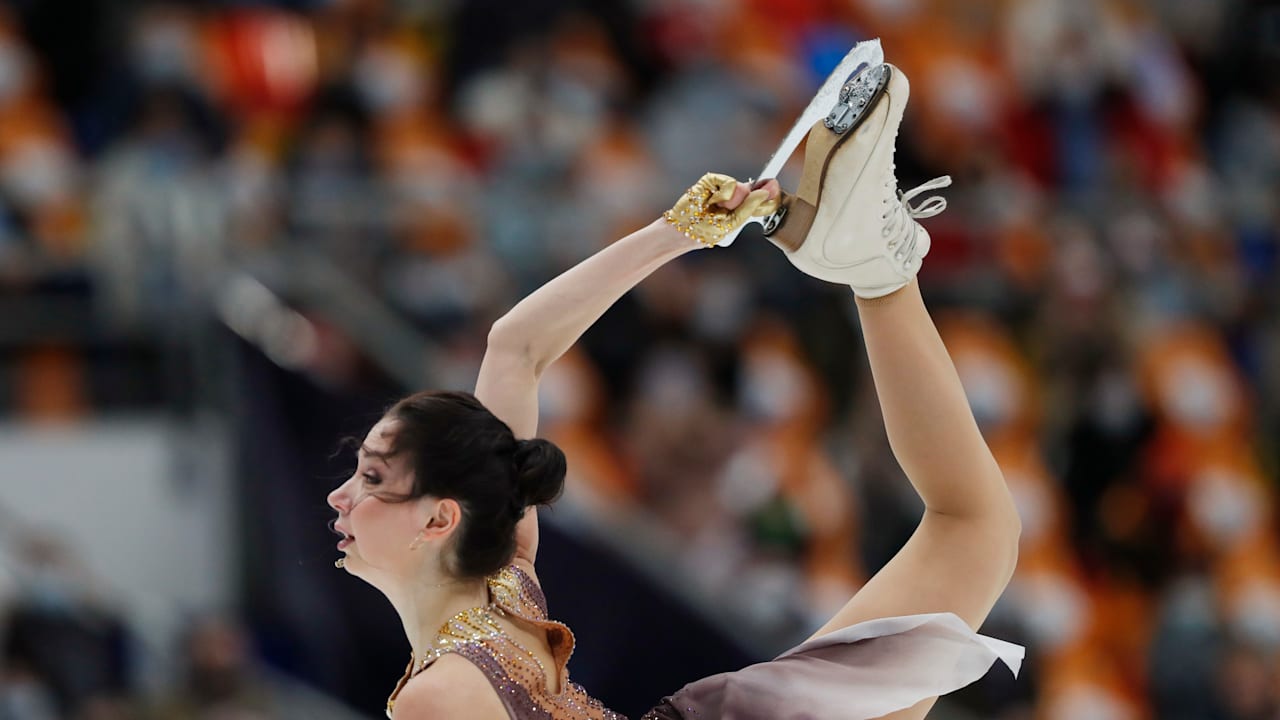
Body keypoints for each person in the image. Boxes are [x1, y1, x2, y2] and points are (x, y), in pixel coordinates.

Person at [326, 61, 1024, 720]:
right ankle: (874, 267)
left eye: (371, 477)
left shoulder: (446, 684)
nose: (340, 495)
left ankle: (873, 265)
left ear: (440, 520)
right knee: (974, 527)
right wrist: (678, 233)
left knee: (974, 528)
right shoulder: (504, 591)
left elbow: (517, 347)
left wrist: (681, 232)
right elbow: (516, 348)